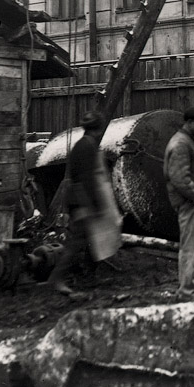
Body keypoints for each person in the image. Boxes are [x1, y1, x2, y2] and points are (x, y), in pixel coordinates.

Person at [50, 110, 122, 298]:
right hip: (82, 202)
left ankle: (89, 276)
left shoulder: (84, 145)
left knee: (93, 240)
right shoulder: (86, 147)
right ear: (98, 129)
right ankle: (57, 279)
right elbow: (86, 179)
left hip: (84, 200)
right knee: (77, 242)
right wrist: (94, 206)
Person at [164, 106, 194, 301]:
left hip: (192, 202)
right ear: (191, 122)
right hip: (189, 204)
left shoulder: (188, 141)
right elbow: (179, 179)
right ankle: (186, 292)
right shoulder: (181, 144)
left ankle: (190, 287)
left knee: (193, 246)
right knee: (190, 248)